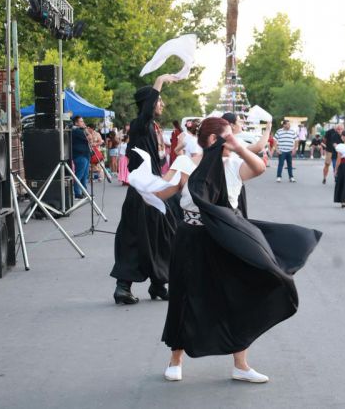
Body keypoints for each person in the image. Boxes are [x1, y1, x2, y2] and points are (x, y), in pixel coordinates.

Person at [152, 117, 321, 383]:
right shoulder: (185, 163)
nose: (234, 138)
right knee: (185, 295)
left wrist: (239, 147)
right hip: (191, 237)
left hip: (225, 237)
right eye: (229, 135)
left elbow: (260, 167)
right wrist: (143, 186)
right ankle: (176, 360)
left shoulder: (233, 165)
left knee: (236, 296)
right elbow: (163, 193)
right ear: (212, 140)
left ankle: (240, 365)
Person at [111, 74, 179, 305]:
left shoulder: (148, 127)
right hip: (142, 191)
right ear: (148, 103)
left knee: (161, 237)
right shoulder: (140, 124)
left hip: (153, 189)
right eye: (158, 101)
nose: (162, 104)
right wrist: (160, 80)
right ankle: (123, 287)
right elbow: (148, 109)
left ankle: (158, 284)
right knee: (134, 237)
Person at [222, 112, 272, 218]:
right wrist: (268, 130)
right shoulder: (235, 141)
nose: (242, 123)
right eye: (239, 121)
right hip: (232, 185)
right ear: (231, 125)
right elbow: (258, 147)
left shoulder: (216, 139)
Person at [70, 115, 91, 198]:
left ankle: (84, 191)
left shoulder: (80, 130)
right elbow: (90, 137)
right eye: (81, 121)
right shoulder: (76, 131)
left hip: (85, 154)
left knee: (84, 175)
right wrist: (86, 129)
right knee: (79, 175)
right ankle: (77, 192)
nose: (83, 123)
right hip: (80, 155)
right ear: (76, 123)